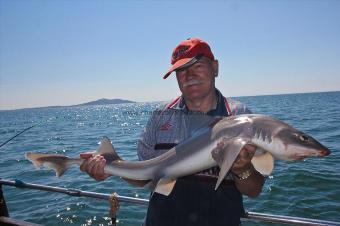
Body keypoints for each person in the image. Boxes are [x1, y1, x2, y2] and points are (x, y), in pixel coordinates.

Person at [80, 38, 264, 226]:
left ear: (215, 67)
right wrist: (109, 169)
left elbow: (254, 190)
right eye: (181, 70)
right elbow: (145, 178)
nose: (189, 75)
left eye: (197, 65)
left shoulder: (241, 117)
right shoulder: (160, 116)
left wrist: (242, 169)